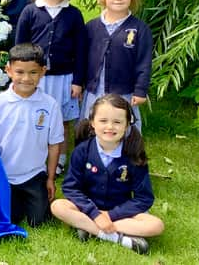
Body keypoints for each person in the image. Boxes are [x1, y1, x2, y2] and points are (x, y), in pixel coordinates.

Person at [50, 94, 164, 255]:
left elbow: (144, 198)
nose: (110, 127)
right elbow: (71, 188)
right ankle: (119, 239)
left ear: (127, 125)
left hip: (121, 213)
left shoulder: (134, 154)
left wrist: (110, 215)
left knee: (156, 225)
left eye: (117, 122)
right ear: (92, 123)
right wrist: (95, 214)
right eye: (103, 121)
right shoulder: (82, 151)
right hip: (88, 209)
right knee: (58, 206)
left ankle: (87, 228)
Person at [15, 0, 87, 176]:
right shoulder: (30, 12)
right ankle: (32, 158)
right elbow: (19, 47)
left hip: (63, 79)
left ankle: (59, 160)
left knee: (61, 122)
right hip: (36, 79)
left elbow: (81, 51)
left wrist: (77, 81)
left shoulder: (74, 15)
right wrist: (20, 78)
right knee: (33, 119)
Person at [0, 43, 64, 226]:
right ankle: (14, 201)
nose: (26, 78)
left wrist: (50, 178)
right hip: (4, 174)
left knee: (39, 221)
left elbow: (54, 145)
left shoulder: (50, 105)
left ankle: (33, 200)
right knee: (8, 218)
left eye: (33, 73)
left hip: (34, 176)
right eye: (20, 72)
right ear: (9, 70)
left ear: (43, 71)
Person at [80, 0, 152, 132]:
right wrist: (80, 84)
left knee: (122, 130)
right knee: (93, 127)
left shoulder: (139, 29)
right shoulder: (92, 27)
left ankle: (125, 156)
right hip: (94, 92)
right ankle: (92, 155)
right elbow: (83, 58)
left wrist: (140, 90)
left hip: (123, 92)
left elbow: (144, 63)